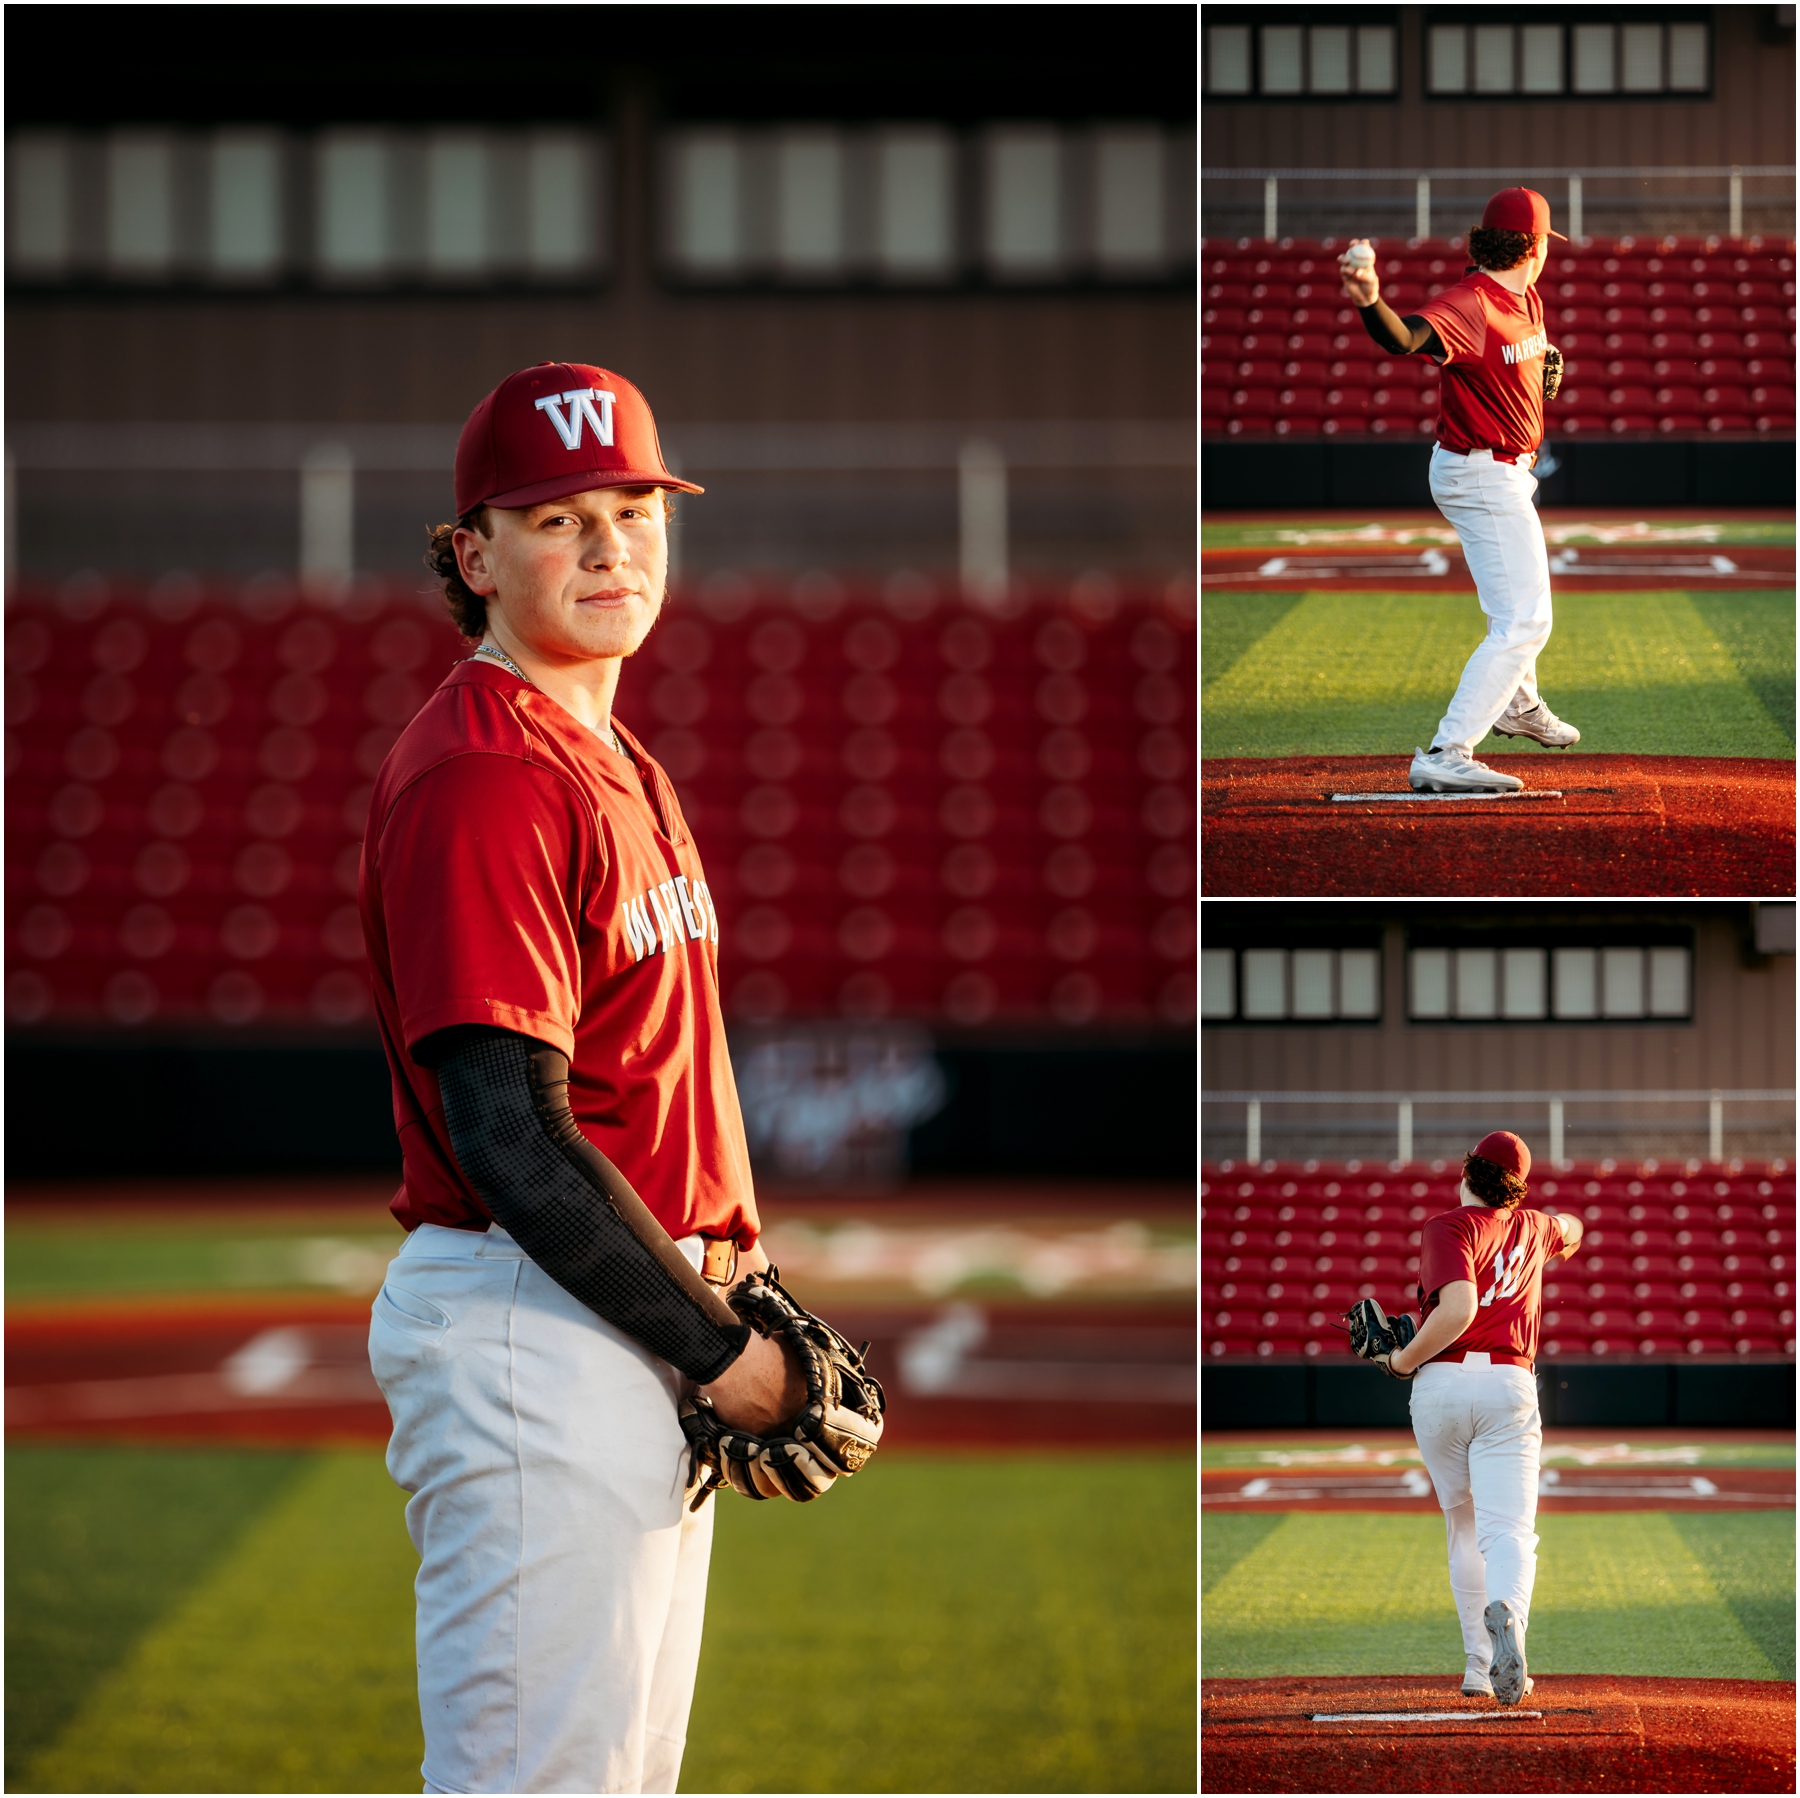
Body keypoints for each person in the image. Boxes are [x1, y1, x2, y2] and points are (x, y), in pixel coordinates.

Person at [360, 361, 806, 1794]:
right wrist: (721, 1345)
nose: (611, 544)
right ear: (473, 556)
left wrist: (725, 1283)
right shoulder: (488, 769)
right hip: (537, 1324)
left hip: (620, 1319)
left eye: (633, 506)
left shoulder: (612, 754)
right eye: (558, 519)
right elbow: (508, 1129)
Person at [1337, 188, 1583, 796]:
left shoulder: (1525, 295)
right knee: (1526, 618)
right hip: (1481, 471)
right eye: (1546, 242)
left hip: (1503, 468)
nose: (1549, 253)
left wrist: (1543, 360)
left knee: (1512, 607)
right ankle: (1448, 751)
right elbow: (1405, 337)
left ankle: (1518, 704)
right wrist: (1371, 300)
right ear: (1531, 245)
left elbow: (1526, 347)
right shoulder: (1472, 301)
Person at [1385, 1130, 1583, 1705]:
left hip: (1440, 1385)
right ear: (1517, 1188)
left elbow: (1461, 1307)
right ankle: (1511, 1622)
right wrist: (1553, 1224)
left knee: (1464, 1526)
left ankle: (1477, 1667)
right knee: (1511, 1531)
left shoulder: (1447, 1226)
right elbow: (1572, 1227)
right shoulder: (1537, 1226)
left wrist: (1400, 1361)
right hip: (1508, 1384)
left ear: (1468, 1170)